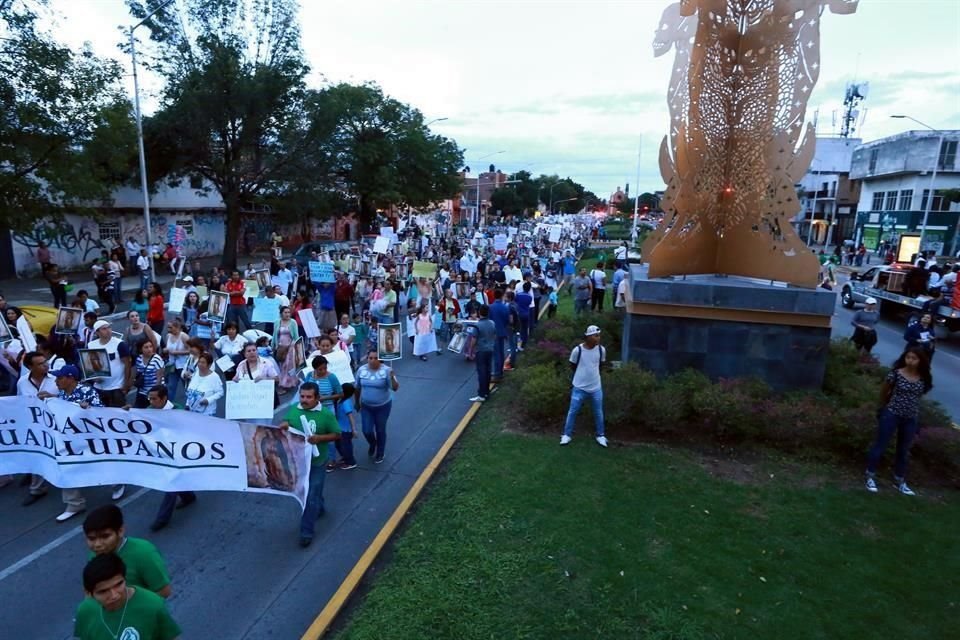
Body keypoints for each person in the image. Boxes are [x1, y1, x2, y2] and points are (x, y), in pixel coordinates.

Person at [864, 346, 933, 496]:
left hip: (910, 417)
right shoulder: (896, 374)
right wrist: (883, 407)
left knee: (903, 450)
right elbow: (884, 391)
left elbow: (922, 393)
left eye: (914, 358)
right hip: (892, 414)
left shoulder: (923, 377)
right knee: (880, 445)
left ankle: (900, 479)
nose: (910, 361)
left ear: (921, 361)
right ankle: (870, 475)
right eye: (908, 357)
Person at [279, 382, 340, 547]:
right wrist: (284, 425)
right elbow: (287, 422)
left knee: (310, 495)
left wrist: (319, 439)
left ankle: (306, 531)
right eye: (302, 396)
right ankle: (319, 507)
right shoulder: (295, 409)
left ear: (317, 398)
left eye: (309, 397)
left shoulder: (326, 415)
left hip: (318, 463)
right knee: (313, 493)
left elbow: (337, 434)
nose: (304, 400)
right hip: (299, 463)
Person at [74, 554, 181, 640]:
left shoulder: (152, 605)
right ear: (88, 593)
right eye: (103, 591)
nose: (114, 595)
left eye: (118, 585)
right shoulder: (85, 612)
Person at [45, 364, 102, 521]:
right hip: (68, 440)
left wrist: (88, 409)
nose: (56, 381)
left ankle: (117, 482)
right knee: (65, 465)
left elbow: (102, 414)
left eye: (60, 378)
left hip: (89, 439)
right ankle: (74, 503)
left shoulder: (88, 392)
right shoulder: (62, 394)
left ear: (70, 378)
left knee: (102, 465)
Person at [82, 504, 173, 597]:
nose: (97, 544)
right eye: (91, 539)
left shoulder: (144, 553)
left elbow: (164, 592)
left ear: (120, 531)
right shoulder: (95, 555)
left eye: (105, 536)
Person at [145, 386, 197, 532]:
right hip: (162, 452)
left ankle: (162, 518)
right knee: (175, 479)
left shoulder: (177, 411)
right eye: (150, 398)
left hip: (178, 452)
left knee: (171, 483)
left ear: (164, 399)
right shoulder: (149, 410)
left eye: (154, 398)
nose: (151, 401)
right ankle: (188, 496)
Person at [18, 351, 57, 506]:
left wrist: (52, 398)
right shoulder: (22, 383)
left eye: (45, 361)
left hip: (58, 424)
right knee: (38, 455)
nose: (45, 365)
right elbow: (19, 403)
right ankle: (37, 489)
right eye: (40, 364)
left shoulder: (56, 379)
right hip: (37, 426)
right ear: (29, 367)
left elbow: (68, 400)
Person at [559, 325, 608, 448]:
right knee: (573, 411)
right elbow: (572, 365)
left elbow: (601, 365)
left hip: (596, 387)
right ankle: (567, 434)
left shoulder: (601, 350)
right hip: (579, 387)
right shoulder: (577, 351)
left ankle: (600, 435)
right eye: (595, 336)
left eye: (599, 335)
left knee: (598, 412)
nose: (598, 338)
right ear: (588, 337)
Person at [356, 348, 399, 464]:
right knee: (366, 431)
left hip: (383, 406)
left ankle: (380, 452)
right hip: (366, 406)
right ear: (367, 358)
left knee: (380, 430)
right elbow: (358, 388)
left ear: (380, 359)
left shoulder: (387, 370)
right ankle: (372, 443)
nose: (373, 360)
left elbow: (395, 388)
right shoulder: (361, 370)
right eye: (370, 358)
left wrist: (392, 377)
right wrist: (356, 402)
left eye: (376, 358)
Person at [469, 304, 497, 402]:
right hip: (490, 349)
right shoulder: (492, 323)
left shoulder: (477, 325)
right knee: (488, 371)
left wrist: (470, 351)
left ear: (479, 313)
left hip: (480, 351)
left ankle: (481, 394)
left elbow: (473, 340)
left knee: (481, 372)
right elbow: (494, 335)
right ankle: (487, 392)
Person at [185, 351, 223, 415]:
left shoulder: (214, 377)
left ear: (209, 365)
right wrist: (187, 404)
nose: (200, 364)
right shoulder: (196, 373)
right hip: (192, 410)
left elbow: (220, 392)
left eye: (203, 363)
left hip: (207, 412)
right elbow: (190, 390)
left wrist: (208, 400)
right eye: (199, 362)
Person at [274, 306, 301, 393]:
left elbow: (296, 335)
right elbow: (275, 335)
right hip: (281, 346)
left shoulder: (293, 322)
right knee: (282, 365)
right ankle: (283, 382)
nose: (287, 314)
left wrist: (297, 347)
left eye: (289, 312)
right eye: (285, 312)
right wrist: (274, 345)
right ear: (281, 313)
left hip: (290, 346)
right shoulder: (277, 322)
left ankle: (288, 383)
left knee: (289, 366)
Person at [162, 319, 190, 401]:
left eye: (170, 328)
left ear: (177, 327)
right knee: (170, 386)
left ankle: (190, 405)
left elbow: (191, 350)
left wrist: (176, 352)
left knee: (187, 386)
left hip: (183, 366)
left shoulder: (184, 336)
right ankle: (169, 405)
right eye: (168, 328)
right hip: (172, 365)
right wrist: (165, 350)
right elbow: (168, 348)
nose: (168, 330)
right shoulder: (168, 336)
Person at [133, 340, 166, 409]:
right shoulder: (139, 359)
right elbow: (138, 372)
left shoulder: (157, 359)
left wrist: (153, 393)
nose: (149, 349)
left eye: (151, 347)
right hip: (142, 391)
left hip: (153, 392)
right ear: (140, 349)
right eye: (146, 347)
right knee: (137, 410)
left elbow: (159, 378)